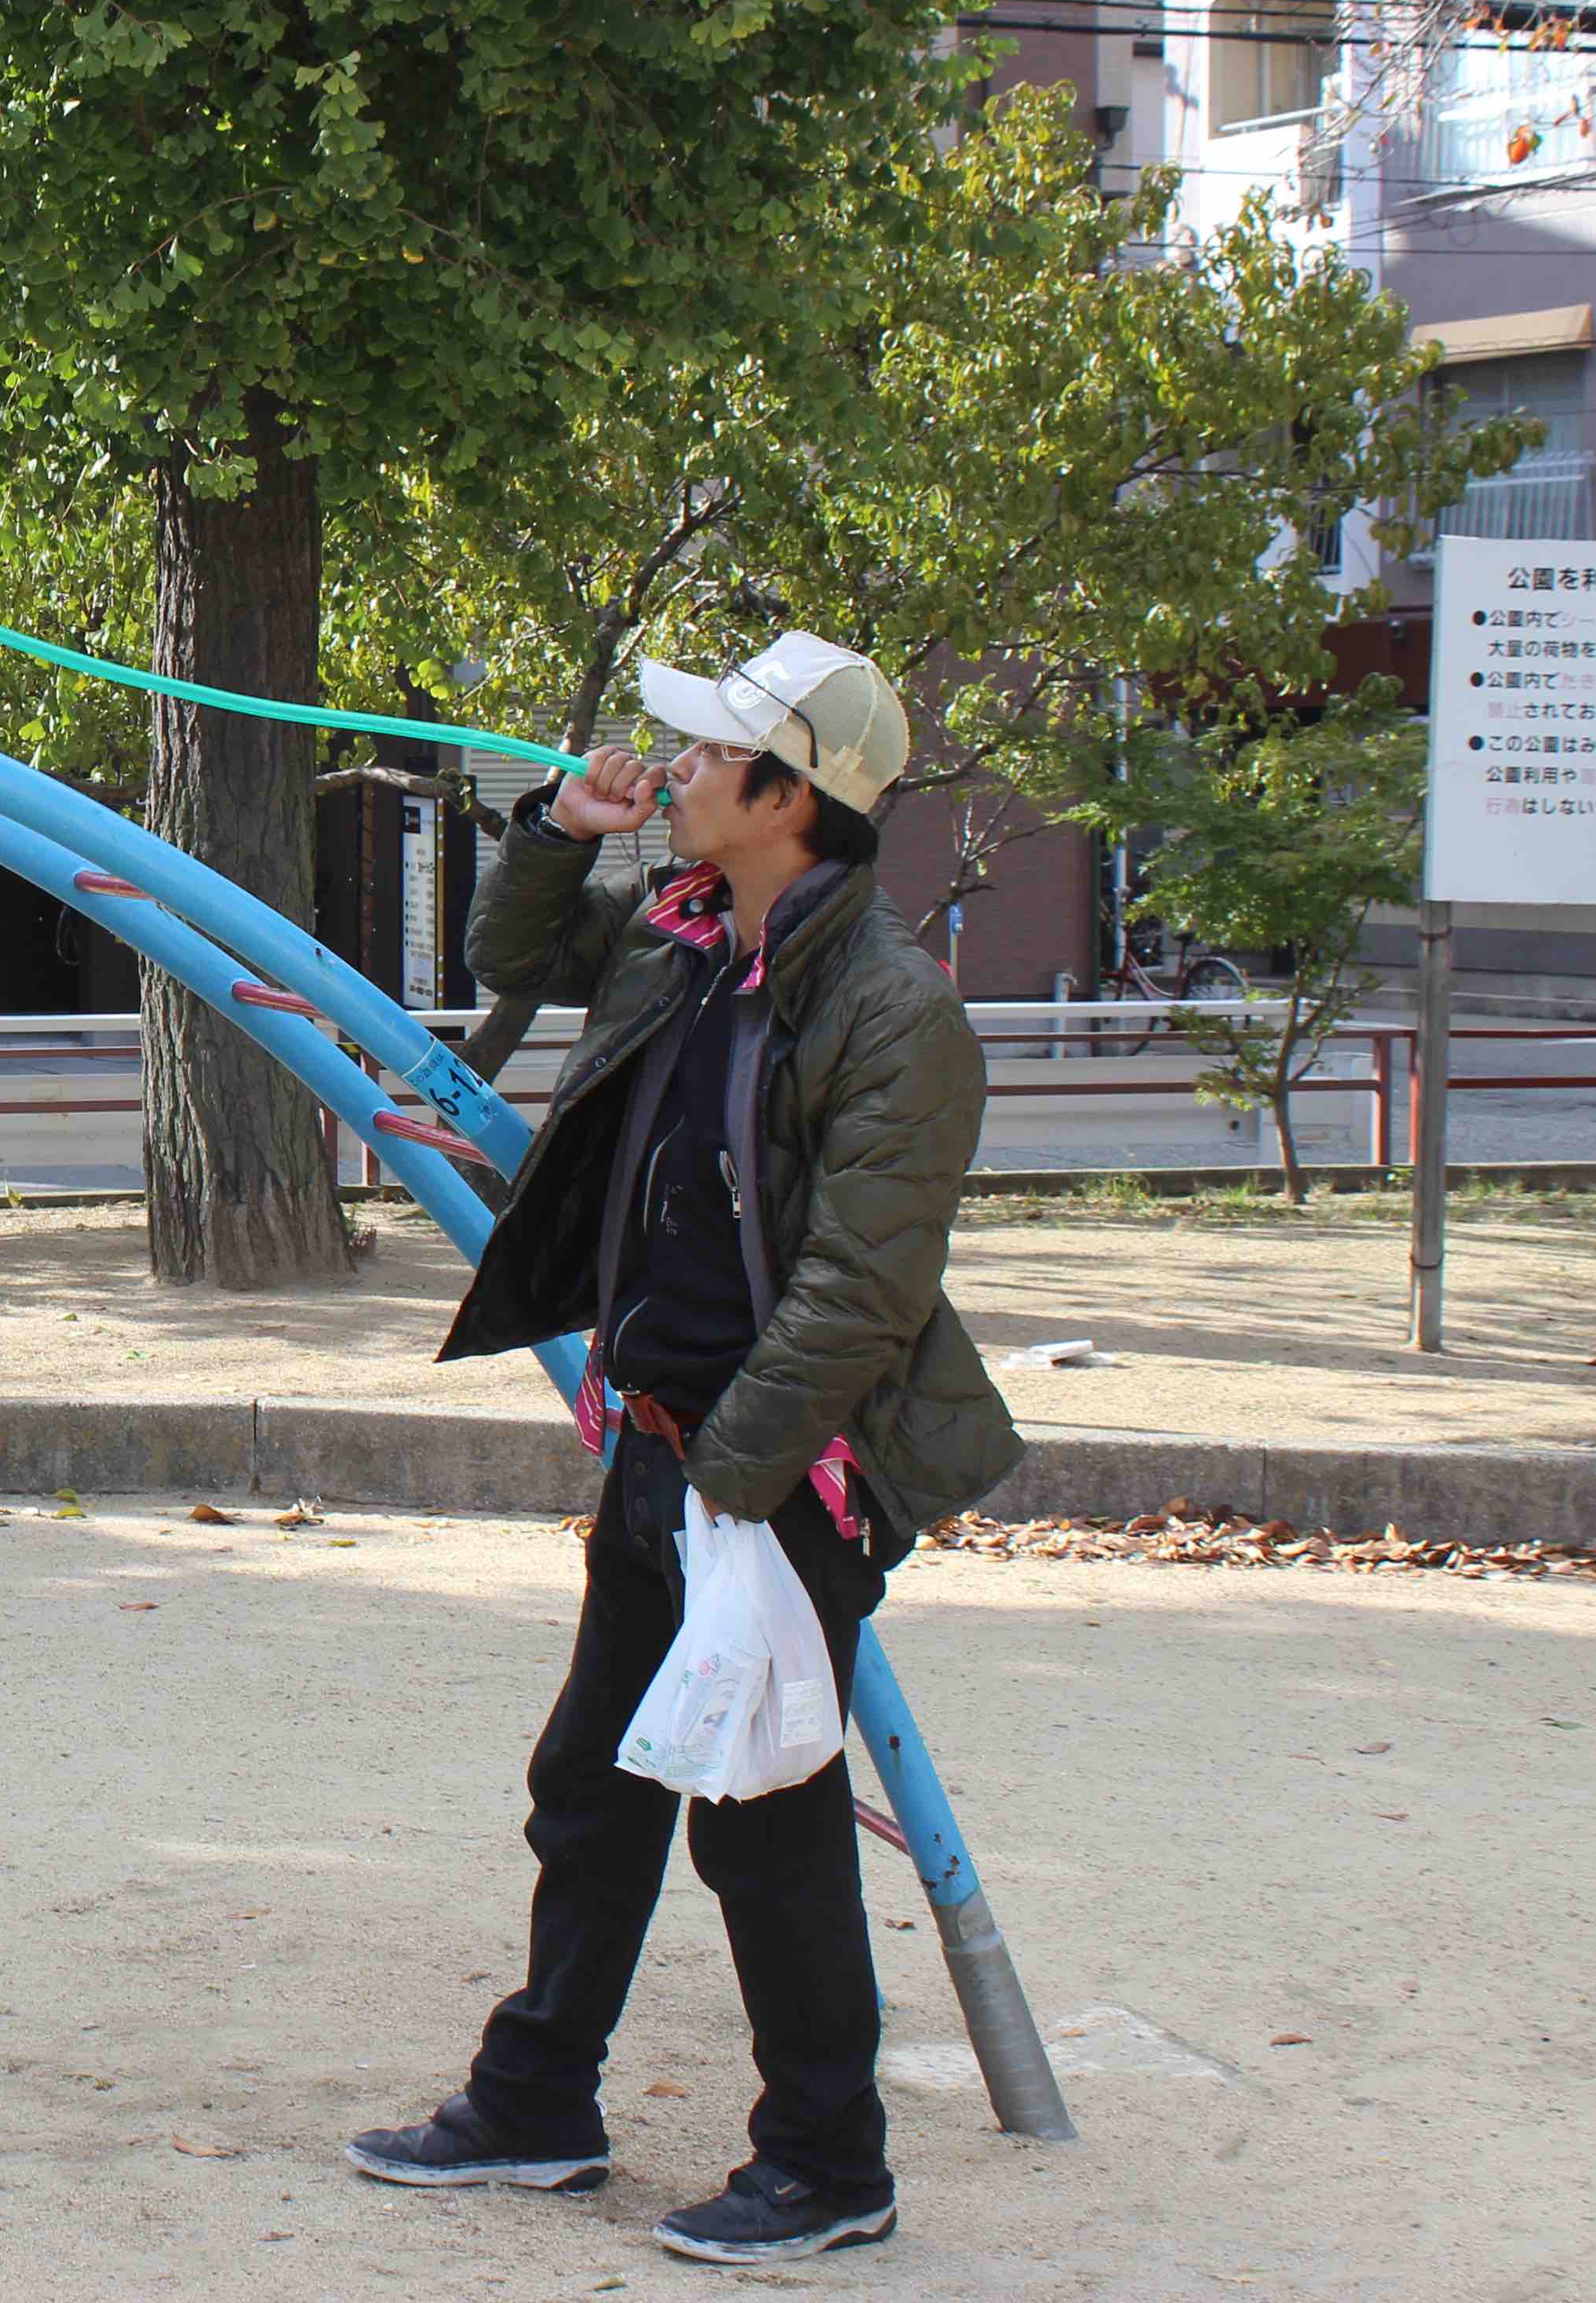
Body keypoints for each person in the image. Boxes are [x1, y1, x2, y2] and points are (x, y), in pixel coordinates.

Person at [346, 632, 1026, 2269]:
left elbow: (864, 1291)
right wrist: (562, 823)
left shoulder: (890, 1013)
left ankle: (827, 2160)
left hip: (791, 1470)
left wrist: (737, 1484)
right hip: (670, 1451)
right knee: (592, 1781)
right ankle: (537, 2100)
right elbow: (516, 943)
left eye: (715, 755)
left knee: (765, 1819)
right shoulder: (688, 940)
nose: (682, 770)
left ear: (792, 799)